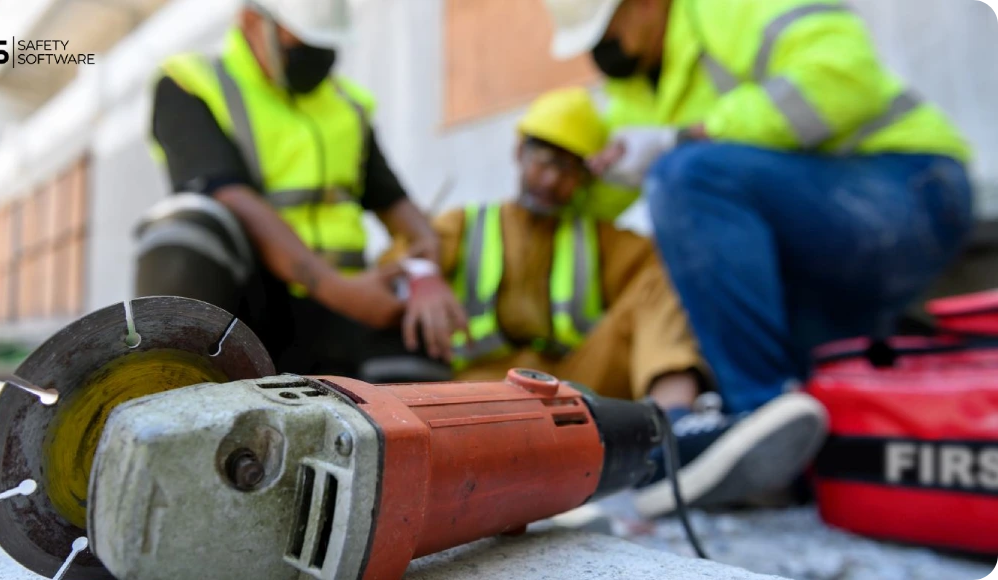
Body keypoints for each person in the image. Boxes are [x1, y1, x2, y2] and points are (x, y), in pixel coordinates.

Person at [541, 0, 973, 509]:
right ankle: (788, 458)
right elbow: (635, 176)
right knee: (827, 433)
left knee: (685, 176)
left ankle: (757, 410)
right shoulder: (638, 86)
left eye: (606, 32)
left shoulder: (732, 9)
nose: (603, 53)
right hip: (818, 231)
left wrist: (682, 139)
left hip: (907, 188)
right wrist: (582, 176)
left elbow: (840, 79)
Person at [385, 86, 828, 517]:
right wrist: (423, 277)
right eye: (544, 161)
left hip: (575, 390)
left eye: (570, 170)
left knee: (663, 275)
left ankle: (673, 436)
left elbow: (671, 281)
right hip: (485, 394)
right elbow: (396, 261)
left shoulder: (598, 239)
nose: (553, 180)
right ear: (519, 151)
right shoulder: (465, 224)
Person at [135, 0, 465, 381]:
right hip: (256, 307)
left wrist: (425, 277)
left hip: (349, 305)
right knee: (189, 226)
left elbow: (397, 206)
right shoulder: (191, 83)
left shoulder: (347, 106)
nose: (315, 57)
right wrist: (341, 291)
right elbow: (229, 195)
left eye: (326, 46)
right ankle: (173, 380)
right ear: (252, 22)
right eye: (303, 44)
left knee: (423, 353)